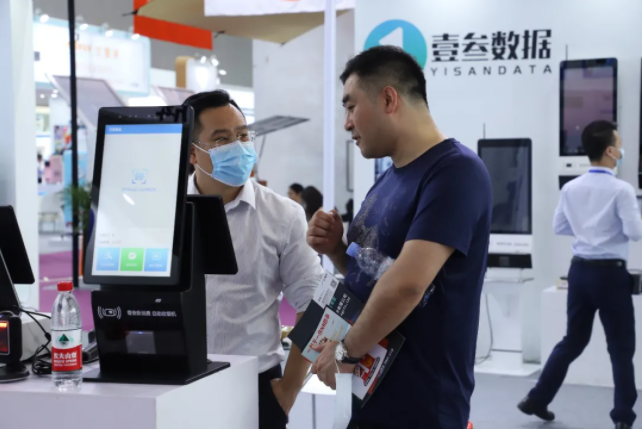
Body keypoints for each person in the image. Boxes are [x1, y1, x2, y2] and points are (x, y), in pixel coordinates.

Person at [307, 45, 492, 428]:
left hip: (421, 403)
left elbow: (408, 284)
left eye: (351, 106)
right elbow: (373, 276)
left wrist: (345, 350)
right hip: (368, 390)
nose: (347, 123)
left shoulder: (455, 172)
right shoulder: (389, 178)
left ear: (389, 99)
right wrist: (336, 250)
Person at [182, 90, 324, 429]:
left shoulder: (284, 215)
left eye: (243, 135)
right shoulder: (166, 210)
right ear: (192, 153)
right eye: (222, 139)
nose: (239, 146)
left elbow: (313, 303)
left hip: (255, 385)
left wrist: (289, 390)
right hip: (177, 383)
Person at [518, 120, 640, 429]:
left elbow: (559, 226)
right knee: (621, 348)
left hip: (580, 272)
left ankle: (537, 399)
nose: (622, 150)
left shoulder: (571, 188)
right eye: (620, 145)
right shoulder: (622, 190)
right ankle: (623, 418)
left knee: (573, 340)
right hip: (611, 276)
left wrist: (588, 230)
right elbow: (635, 233)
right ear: (610, 151)